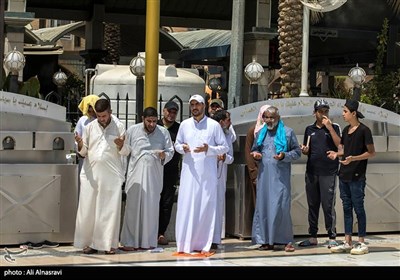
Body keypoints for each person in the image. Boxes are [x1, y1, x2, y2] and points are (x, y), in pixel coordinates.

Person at [74, 98, 130, 255]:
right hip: (91, 175)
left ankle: (108, 244)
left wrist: (121, 145)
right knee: (89, 209)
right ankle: (91, 243)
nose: (101, 119)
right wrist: (79, 143)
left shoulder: (119, 126)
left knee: (108, 209)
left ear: (110, 112)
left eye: (104, 116)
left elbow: (126, 151)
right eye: (99, 116)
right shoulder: (90, 127)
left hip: (111, 176)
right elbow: (83, 151)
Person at [174, 94, 229, 255]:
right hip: (189, 173)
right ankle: (185, 244)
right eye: (192, 105)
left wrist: (209, 149)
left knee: (205, 206)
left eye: (197, 104)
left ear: (204, 106)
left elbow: (224, 147)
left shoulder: (213, 126)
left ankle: (204, 244)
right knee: (187, 205)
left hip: (207, 175)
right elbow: (177, 144)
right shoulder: (184, 125)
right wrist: (182, 147)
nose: (194, 107)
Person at [120, 107, 174, 250]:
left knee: (151, 208)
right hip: (135, 176)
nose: (151, 124)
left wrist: (164, 155)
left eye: (154, 121)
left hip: (153, 177)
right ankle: (129, 242)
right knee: (132, 208)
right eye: (149, 121)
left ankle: (148, 242)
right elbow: (126, 152)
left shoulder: (163, 132)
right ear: (142, 118)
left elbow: (171, 151)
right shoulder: (132, 130)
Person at [327, 99, 375, 255]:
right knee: (346, 208)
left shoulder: (364, 130)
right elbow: (345, 150)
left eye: (345, 111)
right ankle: (347, 241)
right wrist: (337, 154)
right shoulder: (346, 130)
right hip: (344, 175)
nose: (343, 114)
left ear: (353, 113)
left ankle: (361, 242)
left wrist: (353, 158)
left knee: (358, 208)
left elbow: (371, 153)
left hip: (357, 176)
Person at [250, 105, 301, 252]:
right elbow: (255, 149)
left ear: (278, 118)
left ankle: (285, 240)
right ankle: (266, 241)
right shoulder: (261, 133)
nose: (269, 120)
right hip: (264, 177)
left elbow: (297, 152)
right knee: (264, 207)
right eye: (266, 117)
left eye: (272, 117)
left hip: (280, 178)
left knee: (281, 207)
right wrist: (256, 155)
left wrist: (284, 155)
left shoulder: (287, 132)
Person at [298, 99, 341, 248]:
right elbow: (307, 149)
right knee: (312, 204)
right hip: (312, 171)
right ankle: (313, 236)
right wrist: (305, 150)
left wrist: (329, 128)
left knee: (328, 205)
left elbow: (340, 146)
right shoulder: (309, 129)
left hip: (328, 171)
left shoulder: (334, 127)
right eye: (320, 111)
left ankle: (332, 236)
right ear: (314, 112)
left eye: (326, 111)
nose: (323, 114)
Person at [157, 100, 181, 246]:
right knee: (153, 201)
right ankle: (150, 230)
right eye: (169, 111)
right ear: (163, 111)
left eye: (174, 112)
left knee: (166, 202)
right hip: (155, 170)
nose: (171, 115)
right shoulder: (156, 125)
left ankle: (161, 233)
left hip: (170, 171)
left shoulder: (179, 128)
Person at [211, 110, 234, 249]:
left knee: (218, 205)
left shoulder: (228, 135)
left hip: (220, 174)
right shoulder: (210, 132)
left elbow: (231, 158)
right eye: (228, 120)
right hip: (208, 173)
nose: (230, 123)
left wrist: (224, 157)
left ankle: (215, 238)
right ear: (221, 122)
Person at [245, 105, 270, 209]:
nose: (267, 119)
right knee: (259, 203)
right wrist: (254, 174)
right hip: (257, 172)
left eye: (270, 116)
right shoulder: (253, 131)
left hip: (272, 172)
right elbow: (248, 153)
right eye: (265, 116)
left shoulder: (277, 131)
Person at [74, 95, 100, 191]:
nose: (91, 111)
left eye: (92, 108)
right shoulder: (82, 120)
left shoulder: (100, 120)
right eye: (88, 108)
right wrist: (79, 147)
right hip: (84, 157)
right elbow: (76, 137)